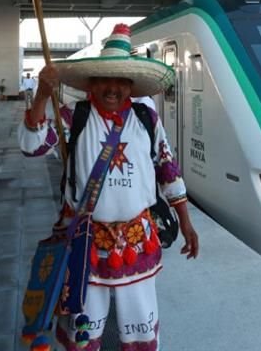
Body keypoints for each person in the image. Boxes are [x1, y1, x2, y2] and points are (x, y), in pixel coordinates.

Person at [19, 24, 199, 350]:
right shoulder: (75, 116)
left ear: (131, 87)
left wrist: (185, 221)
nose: (113, 89)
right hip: (85, 241)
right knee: (84, 320)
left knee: (140, 319)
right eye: (105, 80)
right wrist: (43, 95)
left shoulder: (146, 119)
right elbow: (33, 147)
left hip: (137, 240)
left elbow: (168, 170)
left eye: (121, 81)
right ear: (92, 84)